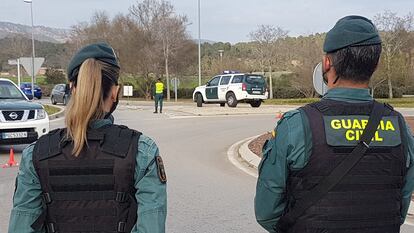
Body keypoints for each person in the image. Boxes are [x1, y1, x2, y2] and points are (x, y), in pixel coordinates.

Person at [255, 15, 414, 233]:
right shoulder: (400, 127)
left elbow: (267, 213)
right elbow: (399, 210)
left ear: (327, 63)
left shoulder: (298, 125)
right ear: (375, 64)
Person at [8, 43, 167, 233]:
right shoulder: (142, 150)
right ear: (115, 92)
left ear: (72, 89)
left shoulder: (37, 154)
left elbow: (21, 227)